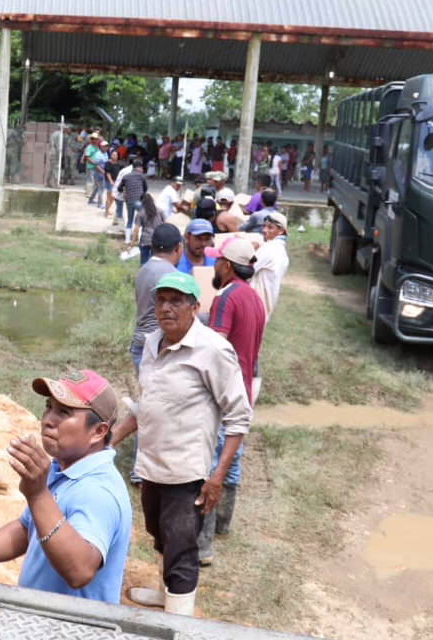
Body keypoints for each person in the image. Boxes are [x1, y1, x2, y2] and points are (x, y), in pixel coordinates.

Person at [111, 271, 252, 617]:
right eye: (161, 300)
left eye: (176, 301)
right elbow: (147, 404)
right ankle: (165, 596)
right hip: (151, 465)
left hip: (186, 473)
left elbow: (238, 417)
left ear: (195, 307)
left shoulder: (213, 350)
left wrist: (217, 477)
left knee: (182, 550)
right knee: (159, 535)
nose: (166, 308)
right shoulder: (152, 342)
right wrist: (109, 440)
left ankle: (178, 622)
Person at [0, 370, 132, 604]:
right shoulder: (63, 467)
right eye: (49, 407)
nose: (48, 420)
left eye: (64, 413)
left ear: (98, 431)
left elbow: (80, 571)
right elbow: (27, 528)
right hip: (41, 615)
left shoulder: (98, 491)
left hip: (69, 622)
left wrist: (38, 494)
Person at [197, 237, 265, 565]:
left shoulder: (226, 297)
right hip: (245, 390)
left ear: (227, 266)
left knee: (212, 465)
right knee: (232, 458)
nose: (214, 265)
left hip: (223, 392)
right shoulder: (254, 298)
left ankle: (202, 545)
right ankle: (223, 523)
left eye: (217, 261)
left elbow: (216, 346)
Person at [131, 223, 182, 371]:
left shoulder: (144, 270)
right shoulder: (172, 276)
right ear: (179, 248)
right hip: (158, 348)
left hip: (139, 344)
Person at [251, 211, 292, 319]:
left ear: (281, 230)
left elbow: (247, 270)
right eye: (264, 226)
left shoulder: (269, 248)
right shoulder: (280, 250)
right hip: (265, 306)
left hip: (255, 305)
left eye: (270, 227)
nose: (264, 230)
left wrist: (250, 249)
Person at [103, 149, 125, 219]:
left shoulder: (118, 164)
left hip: (116, 182)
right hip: (110, 182)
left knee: (113, 197)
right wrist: (111, 181)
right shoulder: (108, 163)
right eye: (113, 155)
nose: (115, 156)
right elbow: (107, 173)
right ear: (111, 155)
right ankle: (106, 213)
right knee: (109, 197)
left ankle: (108, 209)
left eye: (116, 155)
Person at [47, 124, 70, 188]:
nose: (66, 130)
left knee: (52, 168)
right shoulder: (60, 134)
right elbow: (58, 145)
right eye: (65, 128)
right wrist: (60, 153)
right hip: (56, 153)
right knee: (56, 168)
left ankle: (48, 182)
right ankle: (56, 184)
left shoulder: (54, 133)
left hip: (52, 152)